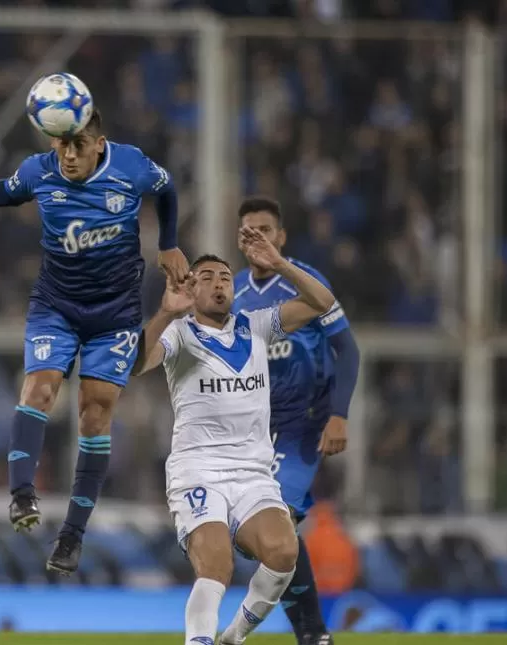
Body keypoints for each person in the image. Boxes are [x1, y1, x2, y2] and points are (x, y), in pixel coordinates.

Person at [0, 109, 190, 575]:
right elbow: (6, 193)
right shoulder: (38, 171)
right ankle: (22, 494)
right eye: (60, 145)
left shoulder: (130, 165)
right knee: (40, 388)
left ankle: (71, 535)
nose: (68, 155)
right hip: (57, 306)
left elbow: (166, 189)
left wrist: (168, 243)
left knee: (95, 410)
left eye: (78, 146)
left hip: (116, 314)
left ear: (99, 142)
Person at [133, 227, 337, 645]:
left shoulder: (257, 326)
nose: (218, 283)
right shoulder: (180, 334)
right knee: (216, 566)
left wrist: (281, 264)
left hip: (252, 473)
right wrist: (165, 313)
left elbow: (322, 303)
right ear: (190, 288)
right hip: (198, 471)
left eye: (225, 277)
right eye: (205, 277)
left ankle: (233, 637)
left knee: (284, 553)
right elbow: (135, 365)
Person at [232, 196, 360, 645]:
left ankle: (311, 632)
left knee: (277, 518)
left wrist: (339, 415)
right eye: (249, 231)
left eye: (266, 229)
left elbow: (349, 350)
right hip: (252, 430)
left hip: (302, 423)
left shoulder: (308, 285)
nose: (258, 238)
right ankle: (312, 630)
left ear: (281, 236)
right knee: (258, 538)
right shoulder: (232, 295)